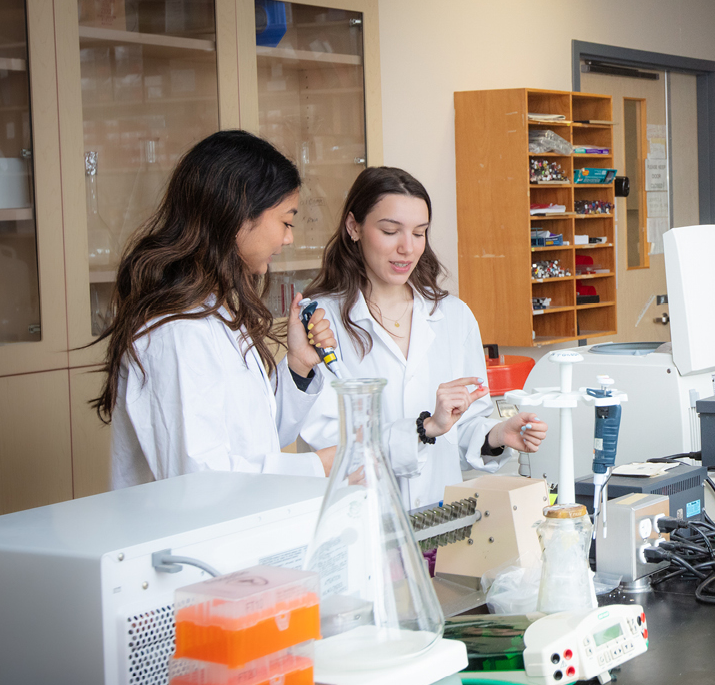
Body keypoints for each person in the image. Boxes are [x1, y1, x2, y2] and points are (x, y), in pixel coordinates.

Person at [94, 130, 339, 487]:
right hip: (191, 538)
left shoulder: (214, 312)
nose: (289, 238)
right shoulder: (176, 329)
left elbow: (256, 440)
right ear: (239, 213)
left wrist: (299, 366)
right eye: (286, 221)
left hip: (235, 530)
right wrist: (319, 466)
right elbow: (198, 479)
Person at [299, 167, 546, 509]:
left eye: (419, 233)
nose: (407, 248)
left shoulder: (453, 316)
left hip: (438, 519)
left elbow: (467, 423)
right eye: (390, 231)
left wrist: (496, 436)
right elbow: (328, 446)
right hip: (361, 519)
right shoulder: (322, 322)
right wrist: (424, 429)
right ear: (354, 227)